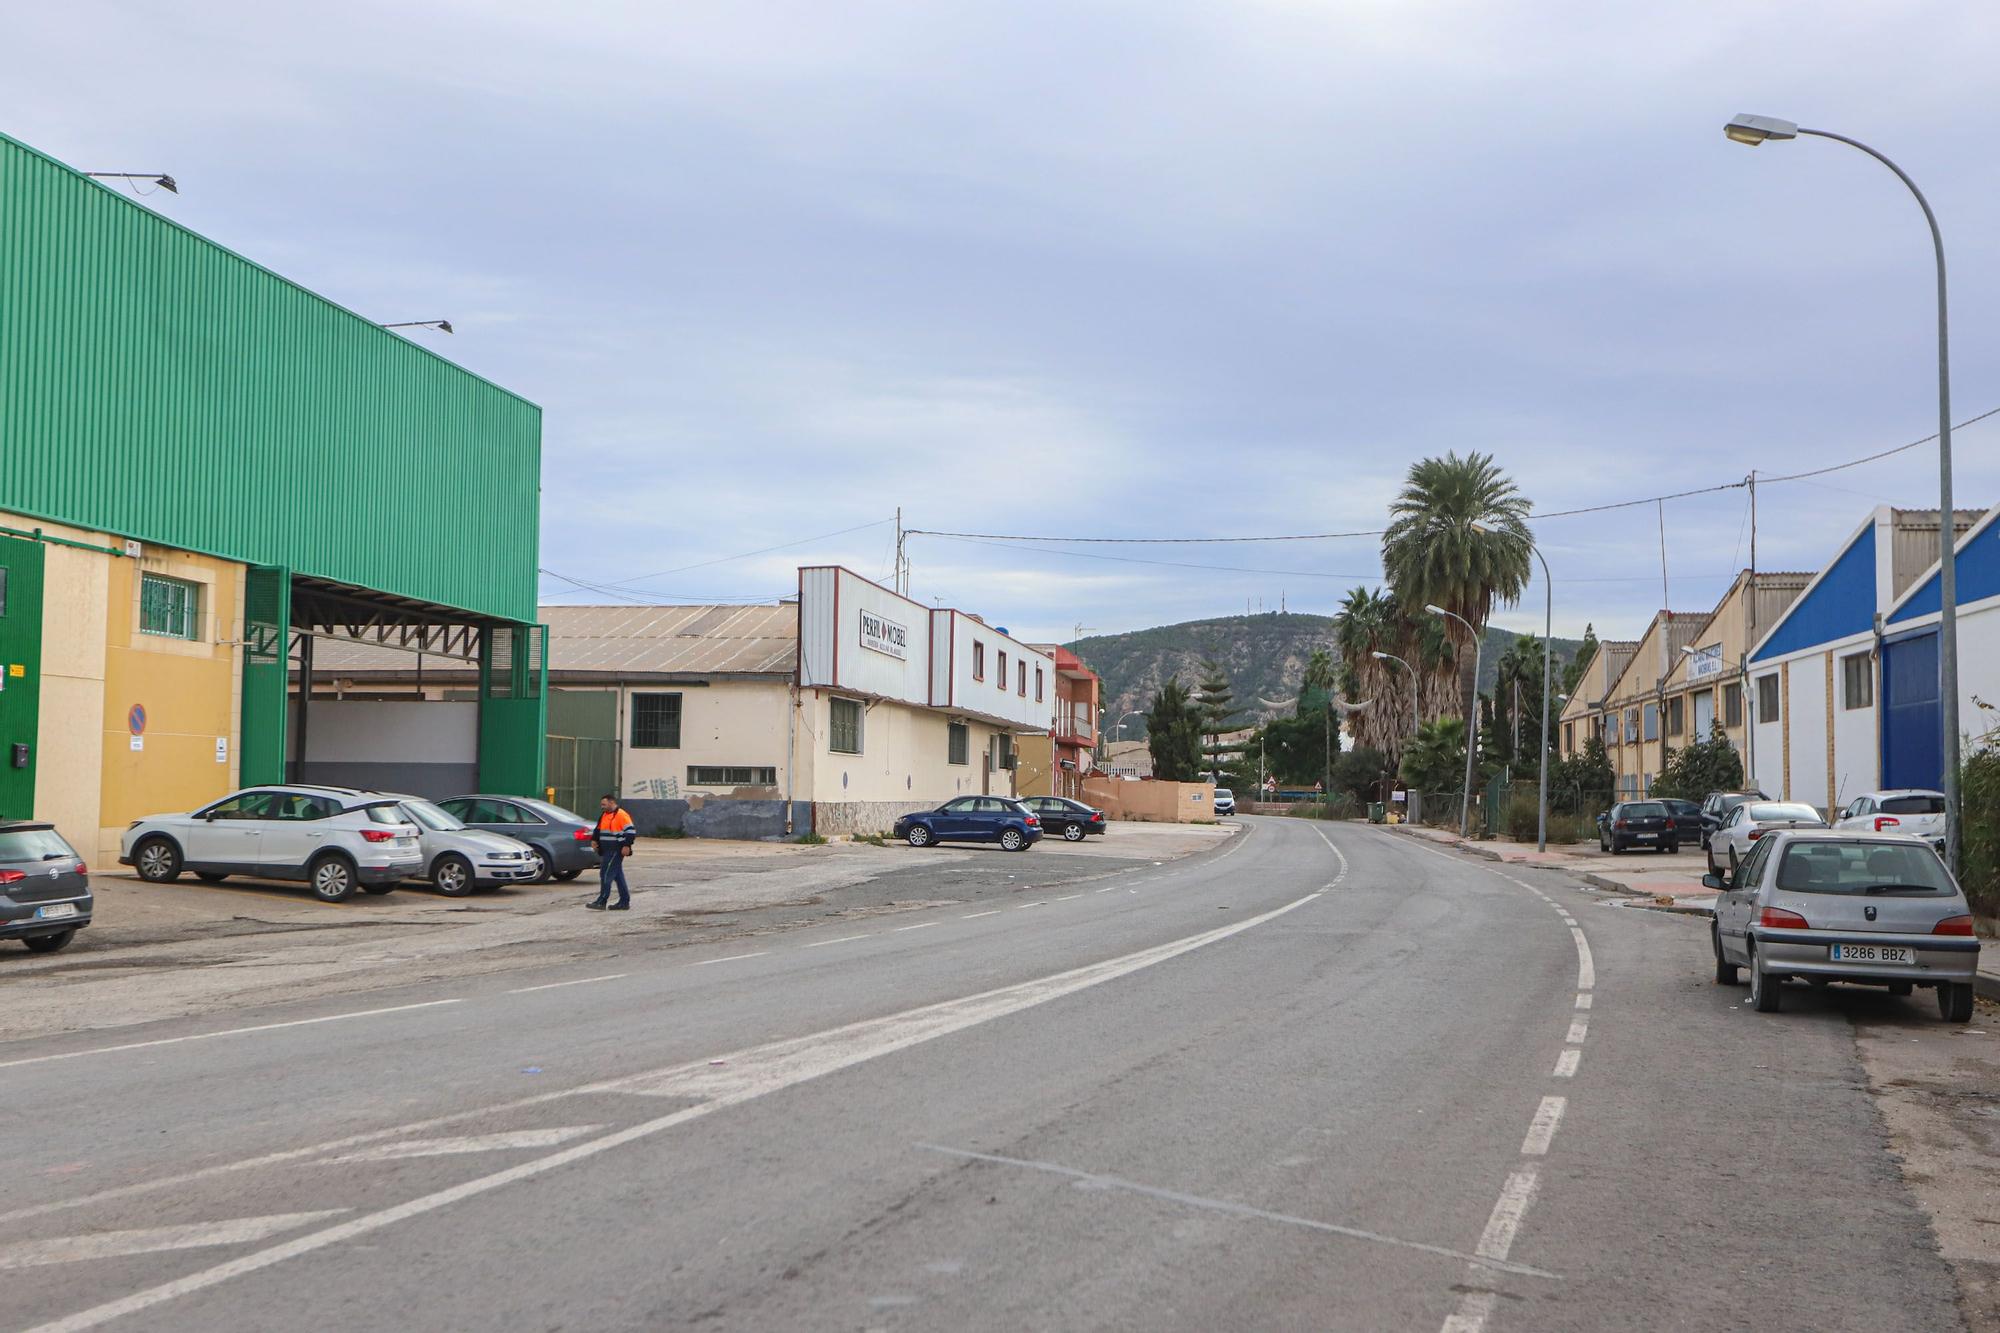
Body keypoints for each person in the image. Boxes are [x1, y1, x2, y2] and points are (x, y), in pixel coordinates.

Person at [586, 794, 636, 911]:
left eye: (604, 804)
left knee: (606, 874)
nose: (602, 807)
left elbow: (631, 832)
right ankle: (624, 902)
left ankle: (601, 901)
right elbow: (598, 829)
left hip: (616, 850)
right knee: (618, 876)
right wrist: (594, 840)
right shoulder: (604, 815)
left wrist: (626, 845)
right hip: (607, 850)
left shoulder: (621, 815)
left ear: (612, 803)